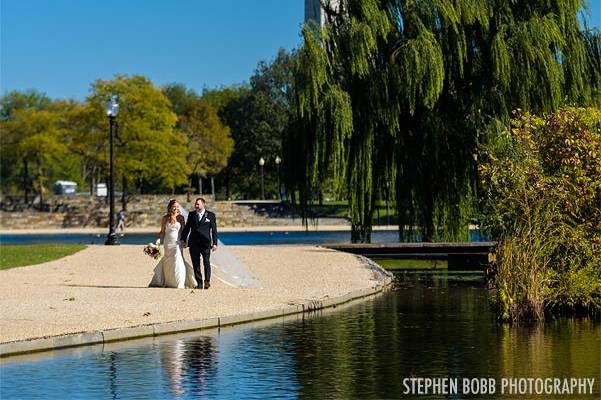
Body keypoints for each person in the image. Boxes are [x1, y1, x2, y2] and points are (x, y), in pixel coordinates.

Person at [149, 199, 197, 289]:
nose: (176, 208)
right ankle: (170, 282)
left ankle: (179, 283)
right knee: (168, 262)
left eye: (177, 206)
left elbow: (184, 231)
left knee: (178, 260)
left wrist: (184, 241)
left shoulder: (181, 218)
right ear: (170, 207)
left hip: (177, 243)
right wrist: (158, 242)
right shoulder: (165, 218)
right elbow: (162, 232)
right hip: (168, 243)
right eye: (174, 206)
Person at [180, 197, 218, 289]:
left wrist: (215, 243)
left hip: (206, 244)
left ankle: (207, 281)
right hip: (193, 243)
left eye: (198, 204)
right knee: (196, 264)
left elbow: (214, 230)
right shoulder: (192, 214)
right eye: (195, 204)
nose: (196, 206)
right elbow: (187, 228)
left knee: (206, 263)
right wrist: (183, 239)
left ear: (203, 204)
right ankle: (199, 283)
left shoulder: (210, 215)